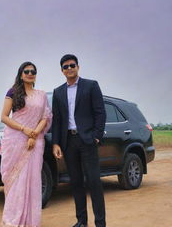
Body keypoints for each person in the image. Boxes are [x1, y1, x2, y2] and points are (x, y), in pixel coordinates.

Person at [52, 54, 106, 227]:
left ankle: (100, 223)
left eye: (72, 65)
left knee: (94, 182)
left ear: (78, 67)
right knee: (75, 183)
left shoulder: (91, 85)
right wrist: (56, 143)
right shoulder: (58, 92)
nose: (69, 69)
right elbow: (57, 120)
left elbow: (100, 112)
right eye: (66, 67)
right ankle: (81, 221)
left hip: (87, 140)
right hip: (69, 142)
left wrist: (96, 136)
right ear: (62, 71)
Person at [0, 61, 52, 227]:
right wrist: (25, 130)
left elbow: (46, 117)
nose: (30, 73)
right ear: (21, 74)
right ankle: (13, 220)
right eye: (27, 71)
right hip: (15, 139)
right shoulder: (13, 92)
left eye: (33, 71)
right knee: (15, 180)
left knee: (33, 179)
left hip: (35, 141)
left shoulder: (41, 95)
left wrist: (34, 134)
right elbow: (4, 117)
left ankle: (31, 221)